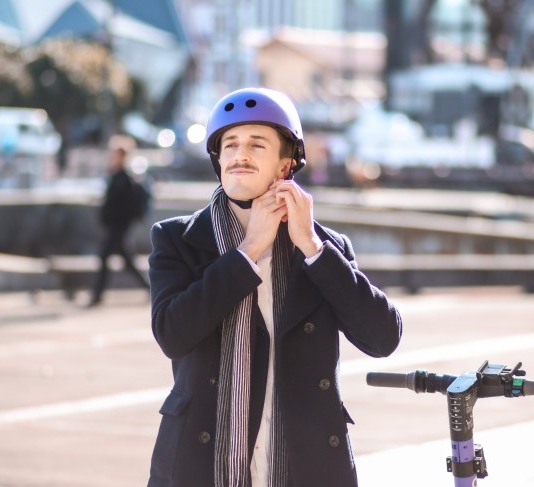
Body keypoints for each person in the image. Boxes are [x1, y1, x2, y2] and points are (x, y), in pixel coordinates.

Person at [146, 87, 403, 487]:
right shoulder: (178, 240)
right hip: (201, 468)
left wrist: (313, 249)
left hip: (307, 468)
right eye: (229, 144)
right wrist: (247, 254)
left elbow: (383, 338)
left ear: (286, 164)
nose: (239, 154)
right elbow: (172, 335)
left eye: (256, 144)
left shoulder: (323, 247)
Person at [89, 134, 150, 307]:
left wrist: (114, 219)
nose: (111, 157)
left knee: (105, 258)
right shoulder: (116, 177)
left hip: (118, 227)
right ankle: (149, 288)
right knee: (127, 261)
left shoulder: (123, 179)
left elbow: (122, 206)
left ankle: (97, 295)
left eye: (114, 154)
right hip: (115, 226)